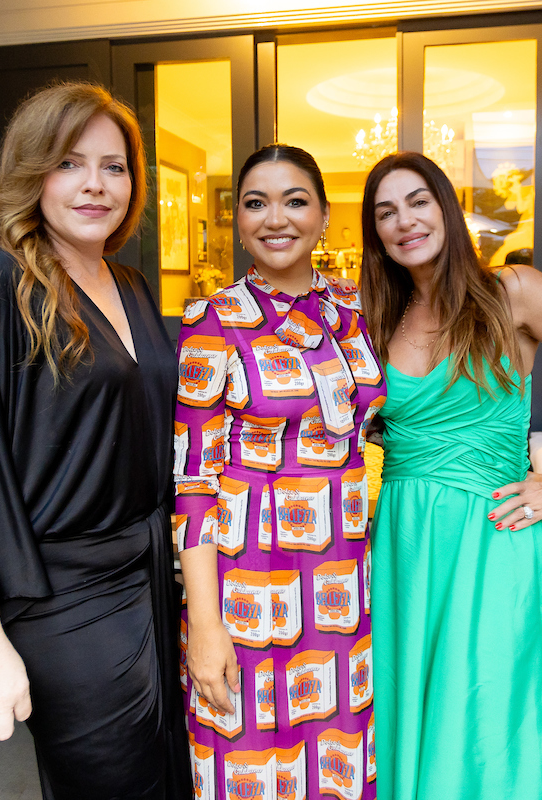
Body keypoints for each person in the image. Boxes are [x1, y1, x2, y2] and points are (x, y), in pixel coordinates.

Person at [0, 82, 189, 799]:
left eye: (114, 166)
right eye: (69, 162)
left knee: (168, 776)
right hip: (62, 596)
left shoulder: (130, 286)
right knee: (109, 782)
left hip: (153, 576)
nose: (95, 183)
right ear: (34, 174)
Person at [359, 152, 542, 800]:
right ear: (375, 233)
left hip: (492, 541)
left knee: (489, 717)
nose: (404, 221)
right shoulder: (379, 316)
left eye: (417, 201)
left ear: (446, 208)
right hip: (405, 548)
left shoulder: (512, 291)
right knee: (410, 709)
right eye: (385, 212)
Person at [175, 144, 385, 800]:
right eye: (255, 203)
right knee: (248, 756)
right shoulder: (213, 321)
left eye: (295, 200)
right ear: (237, 220)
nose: (276, 218)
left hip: (343, 582)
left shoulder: (355, 311)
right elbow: (192, 483)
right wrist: (207, 626)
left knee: (337, 757)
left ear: (323, 215)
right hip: (249, 580)